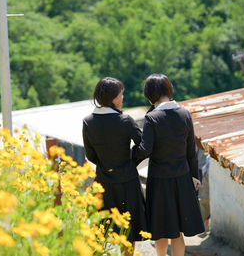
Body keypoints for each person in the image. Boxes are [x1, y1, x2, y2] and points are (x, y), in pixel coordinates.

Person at [132, 73, 204, 256]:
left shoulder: (152, 118)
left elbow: (145, 149)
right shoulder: (184, 114)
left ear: (149, 94)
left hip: (159, 180)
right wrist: (195, 177)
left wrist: (128, 159)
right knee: (178, 230)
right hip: (182, 178)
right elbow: (191, 151)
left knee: (161, 227)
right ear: (169, 90)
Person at [82, 77, 147, 245]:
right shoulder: (125, 120)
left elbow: (90, 156)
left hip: (103, 181)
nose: (122, 97)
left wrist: (106, 165)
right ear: (112, 98)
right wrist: (131, 161)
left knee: (101, 232)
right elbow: (145, 147)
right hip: (127, 182)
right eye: (120, 94)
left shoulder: (88, 122)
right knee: (128, 233)